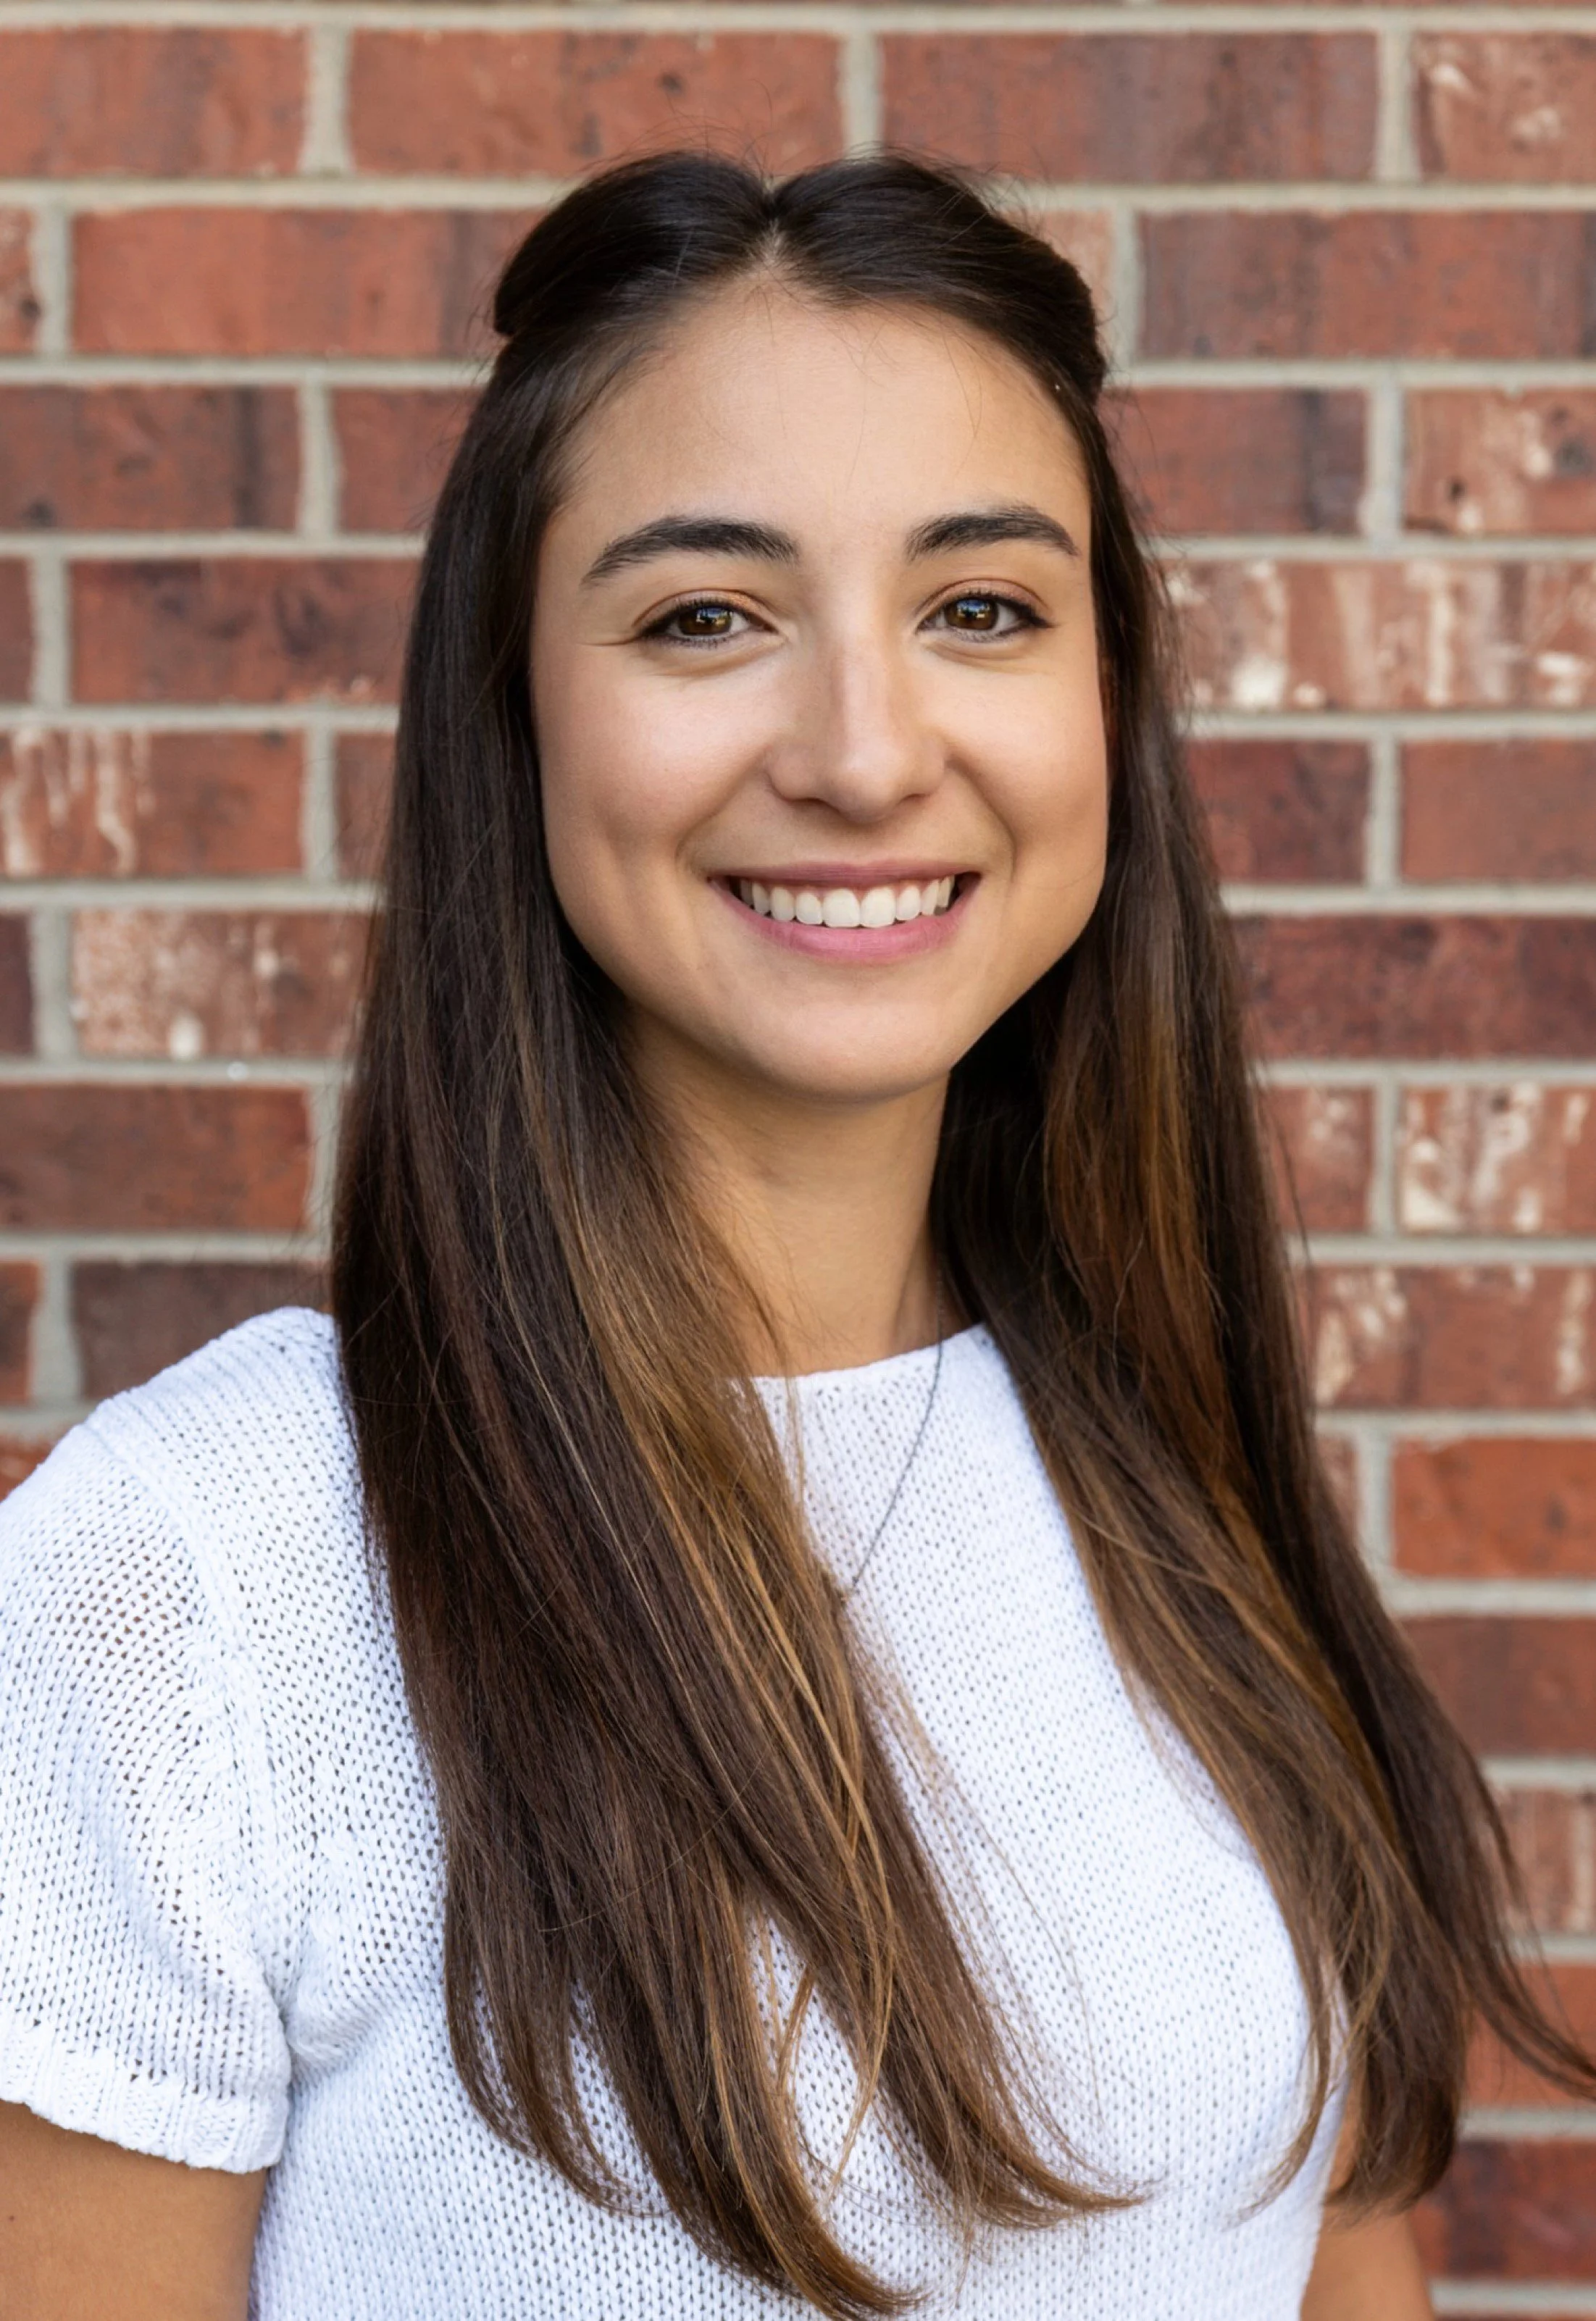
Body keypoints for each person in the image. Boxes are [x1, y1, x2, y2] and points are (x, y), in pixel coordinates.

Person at [0, 151, 1587, 2321]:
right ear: (516, 709)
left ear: (1104, 698)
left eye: (983, 608)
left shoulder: (1163, 1460)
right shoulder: (194, 1576)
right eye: (704, 618)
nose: (864, 749)